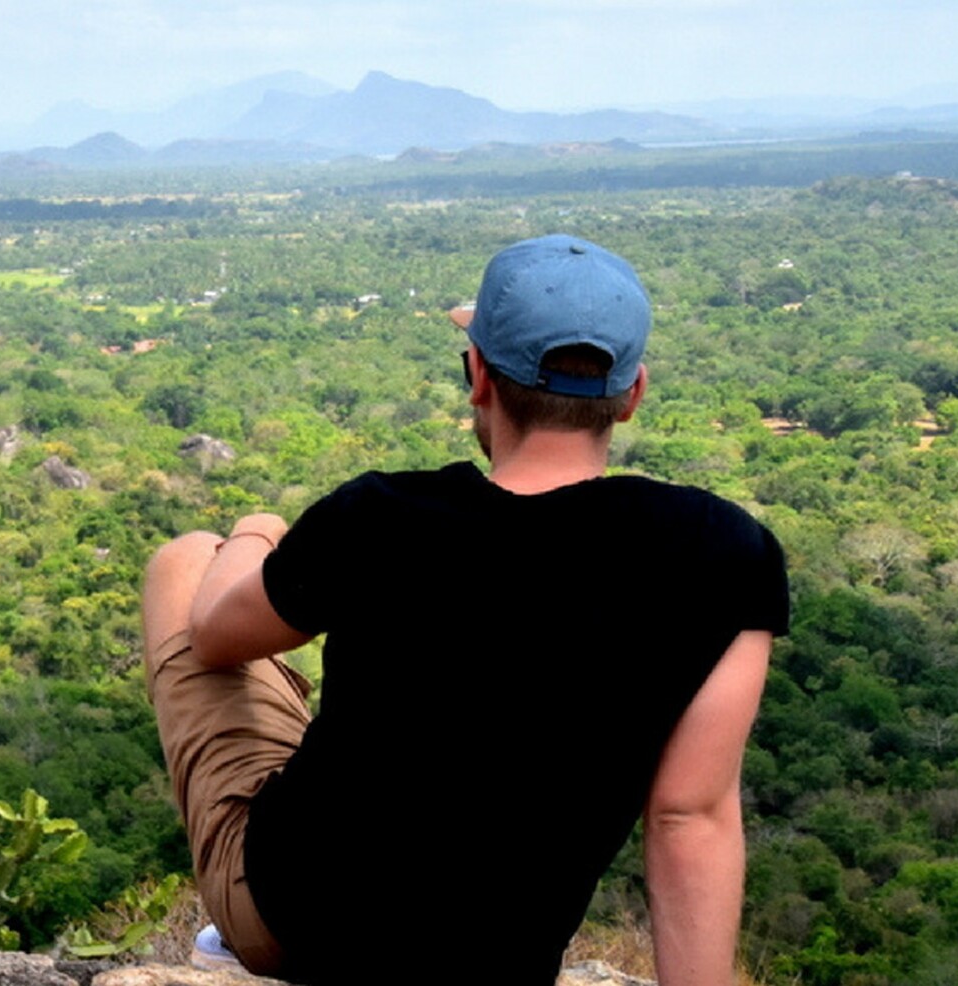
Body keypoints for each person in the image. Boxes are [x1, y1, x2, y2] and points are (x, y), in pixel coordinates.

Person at [141, 234, 789, 984]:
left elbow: (216, 637)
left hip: (296, 923)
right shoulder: (727, 553)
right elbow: (689, 816)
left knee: (185, 559)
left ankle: (234, 930)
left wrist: (256, 531)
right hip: (500, 958)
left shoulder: (380, 515)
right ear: (633, 393)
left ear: (478, 375)